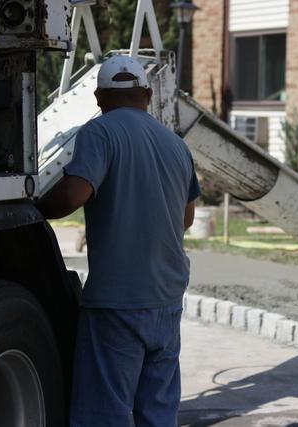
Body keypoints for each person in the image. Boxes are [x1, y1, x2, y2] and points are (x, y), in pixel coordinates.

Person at [37, 55, 201, 426]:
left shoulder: (100, 131)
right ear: (146, 94)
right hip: (167, 299)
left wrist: (33, 207)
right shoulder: (176, 145)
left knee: (104, 412)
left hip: (118, 301)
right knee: (158, 410)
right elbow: (186, 218)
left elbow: (72, 195)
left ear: (99, 98)